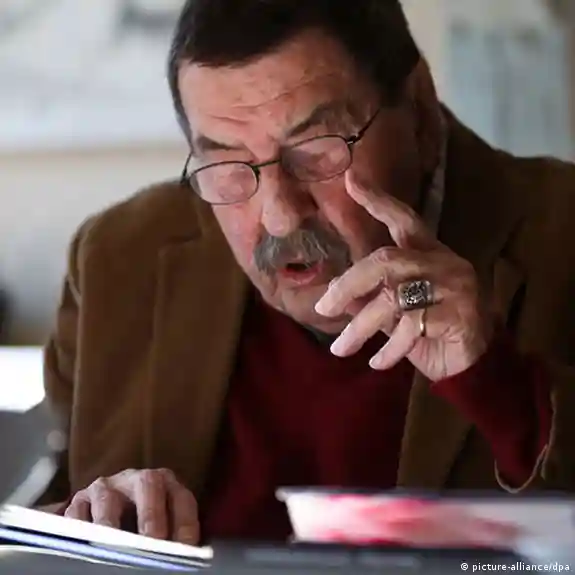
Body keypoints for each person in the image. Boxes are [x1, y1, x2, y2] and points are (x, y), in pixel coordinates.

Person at [39, 0, 575, 545]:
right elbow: (35, 513)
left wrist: (494, 383)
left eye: (316, 149)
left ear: (419, 112)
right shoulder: (117, 259)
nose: (280, 215)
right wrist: (89, 519)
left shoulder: (560, 235)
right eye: (226, 161)